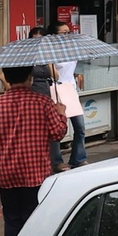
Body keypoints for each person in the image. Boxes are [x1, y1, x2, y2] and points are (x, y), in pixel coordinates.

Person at [0, 64, 73, 236]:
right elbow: (57, 133)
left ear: (7, 79)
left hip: (7, 176)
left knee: (12, 221)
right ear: (30, 77)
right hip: (36, 177)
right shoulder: (43, 103)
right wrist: (62, 114)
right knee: (34, 220)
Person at [49, 22, 88, 171]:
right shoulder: (50, 51)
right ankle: (57, 161)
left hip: (70, 89)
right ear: (54, 35)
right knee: (57, 128)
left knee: (80, 127)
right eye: (63, 33)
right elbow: (55, 73)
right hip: (56, 90)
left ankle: (78, 158)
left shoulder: (72, 48)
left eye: (68, 32)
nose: (67, 35)